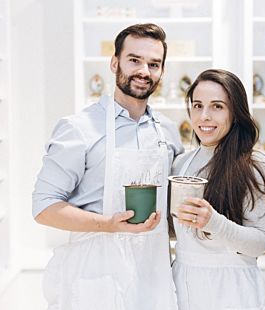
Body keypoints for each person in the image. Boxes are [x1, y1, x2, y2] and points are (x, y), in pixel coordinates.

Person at [32, 23, 184, 310]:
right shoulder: (78, 129)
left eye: (154, 64)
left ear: (162, 71)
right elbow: (43, 208)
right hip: (94, 275)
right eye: (134, 60)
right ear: (115, 63)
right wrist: (109, 225)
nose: (144, 71)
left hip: (154, 274)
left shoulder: (168, 132)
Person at [171, 69, 265, 310]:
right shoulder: (181, 164)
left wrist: (213, 222)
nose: (204, 116)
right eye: (197, 105)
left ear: (235, 112)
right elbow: (182, 233)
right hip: (184, 287)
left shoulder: (255, 166)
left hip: (233, 292)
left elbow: (258, 243)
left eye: (217, 106)